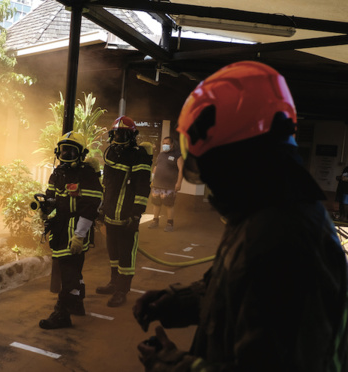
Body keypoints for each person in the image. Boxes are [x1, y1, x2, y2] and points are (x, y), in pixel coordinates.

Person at [132, 61, 348, 371]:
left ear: (242, 160)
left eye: (212, 166)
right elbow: (244, 291)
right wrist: (180, 302)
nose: (209, 180)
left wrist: (173, 365)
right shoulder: (265, 212)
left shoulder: (284, 239)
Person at [38, 131, 103, 330]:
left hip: (75, 230)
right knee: (73, 269)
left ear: (81, 154)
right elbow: (52, 197)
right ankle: (76, 304)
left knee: (69, 272)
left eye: (71, 151)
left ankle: (62, 314)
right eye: (63, 150)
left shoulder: (87, 175)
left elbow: (90, 207)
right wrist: (46, 208)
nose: (66, 154)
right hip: (60, 229)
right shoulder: (58, 173)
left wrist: (79, 235)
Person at [96, 116, 152, 307]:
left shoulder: (139, 155)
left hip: (128, 215)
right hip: (111, 214)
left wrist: (136, 214)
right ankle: (113, 282)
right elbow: (108, 185)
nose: (119, 136)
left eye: (123, 133)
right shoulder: (111, 152)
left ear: (132, 135)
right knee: (113, 252)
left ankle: (122, 291)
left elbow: (142, 187)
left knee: (126, 254)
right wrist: (103, 208)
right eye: (117, 133)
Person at [148, 137, 184, 232]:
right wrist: (152, 179)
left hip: (169, 186)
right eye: (163, 143)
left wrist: (179, 183)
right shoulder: (161, 155)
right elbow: (156, 167)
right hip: (157, 184)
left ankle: (170, 223)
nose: (165, 145)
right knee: (156, 203)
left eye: (167, 143)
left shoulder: (177, 155)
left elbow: (181, 170)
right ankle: (155, 221)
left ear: (172, 145)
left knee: (169, 205)